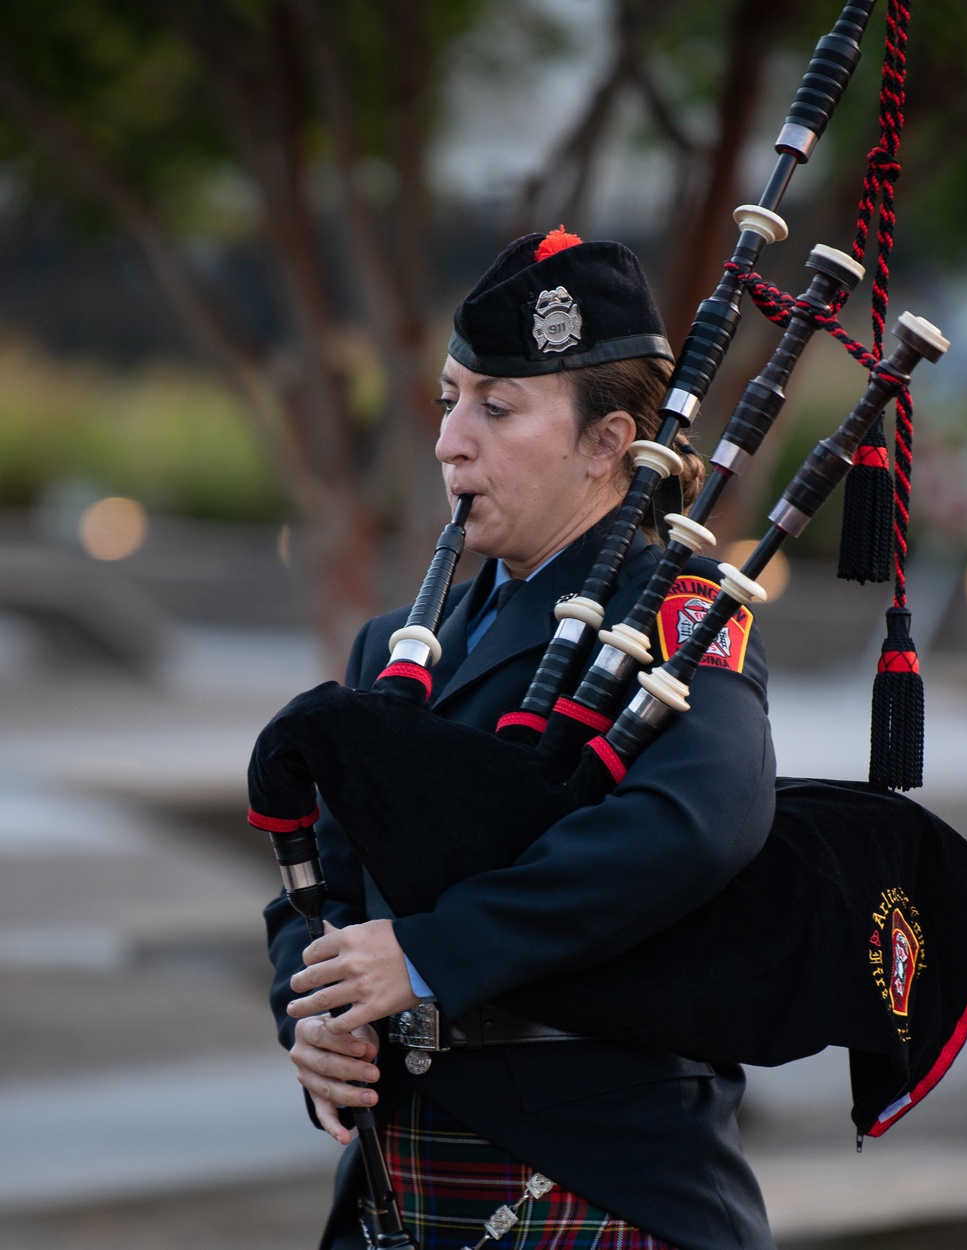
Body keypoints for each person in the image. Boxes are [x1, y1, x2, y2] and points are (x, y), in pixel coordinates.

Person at [265, 227, 778, 1250]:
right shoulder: (396, 645)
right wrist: (309, 1013)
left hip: (597, 1166)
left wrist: (429, 950)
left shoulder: (676, 613)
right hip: (399, 1167)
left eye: (496, 407)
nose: (452, 437)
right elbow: (321, 879)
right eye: (452, 396)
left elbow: (694, 820)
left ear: (606, 444)